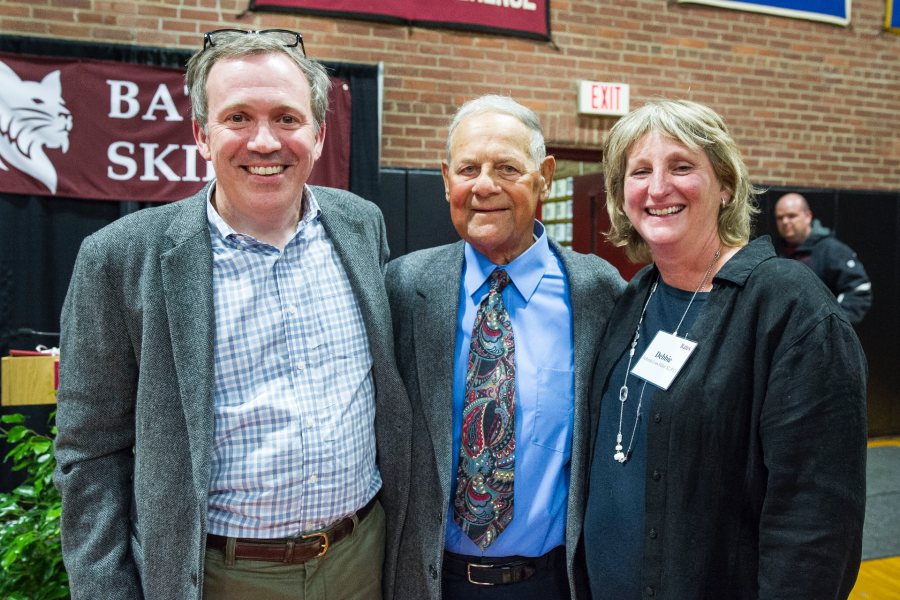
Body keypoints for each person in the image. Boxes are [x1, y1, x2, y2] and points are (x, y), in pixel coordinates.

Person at [53, 29, 409, 600]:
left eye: (287, 119)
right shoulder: (120, 258)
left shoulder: (361, 225)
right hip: (216, 575)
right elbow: (89, 453)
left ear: (318, 134)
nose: (264, 141)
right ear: (202, 133)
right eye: (238, 117)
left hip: (360, 559)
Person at [583, 99, 867, 599]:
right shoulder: (634, 298)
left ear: (726, 185)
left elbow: (816, 525)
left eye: (682, 166)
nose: (657, 188)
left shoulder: (788, 307)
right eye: (640, 171)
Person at [385, 95, 625, 600]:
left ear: (545, 176)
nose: (484, 185)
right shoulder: (405, 287)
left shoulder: (598, 292)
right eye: (469, 168)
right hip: (427, 581)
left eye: (507, 168)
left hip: (551, 583)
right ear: (446, 178)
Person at [774, 192, 872, 323]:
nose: (785, 222)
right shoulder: (774, 251)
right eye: (780, 218)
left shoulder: (832, 250)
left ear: (808, 216)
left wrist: (833, 326)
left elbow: (859, 289)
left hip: (821, 338)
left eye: (792, 216)